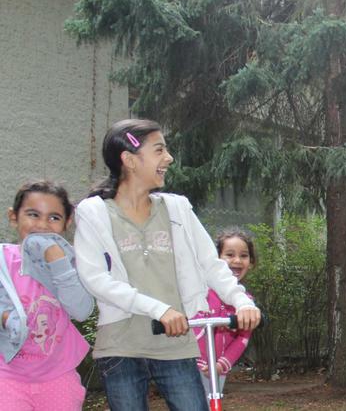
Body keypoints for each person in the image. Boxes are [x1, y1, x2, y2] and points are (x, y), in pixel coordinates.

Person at [74, 119, 261, 411]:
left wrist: (241, 301)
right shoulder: (94, 212)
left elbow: (210, 264)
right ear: (129, 160)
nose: (169, 158)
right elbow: (95, 279)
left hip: (176, 342)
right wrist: (159, 310)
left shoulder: (177, 208)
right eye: (159, 150)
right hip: (121, 344)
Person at [0, 181, 94, 410]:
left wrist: (57, 261)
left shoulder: (70, 263)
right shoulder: (3, 260)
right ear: (14, 217)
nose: (42, 225)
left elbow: (81, 311)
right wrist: (5, 318)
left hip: (58, 375)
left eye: (54, 217)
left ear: (67, 223)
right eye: (33, 214)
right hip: (6, 376)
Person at [192, 228, 256, 399]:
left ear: (251, 262)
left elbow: (242, 339)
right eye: (229, 254)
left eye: (244, 255)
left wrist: (221, 365)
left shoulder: (245, 303)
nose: (237, 260)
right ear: (216, 260)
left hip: (217, 369)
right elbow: (193, 325)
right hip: (191, 365)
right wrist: (199, 361)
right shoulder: (201, 292)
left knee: (212, 402)